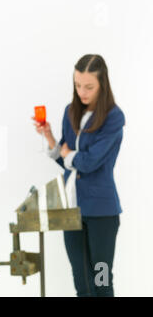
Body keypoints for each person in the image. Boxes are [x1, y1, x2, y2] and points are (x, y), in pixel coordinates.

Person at [32, 54, 125, 297]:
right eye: (77, 85)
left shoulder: (114, 117)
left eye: (89, 87)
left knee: (102, 280)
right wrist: (51, 138)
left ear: (102, 85)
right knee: (81, 284)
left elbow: (90, 162)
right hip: (71, 209)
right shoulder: (70, 112)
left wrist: (70, 154)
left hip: (102, 212)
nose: (82, 92)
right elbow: (69, 163)